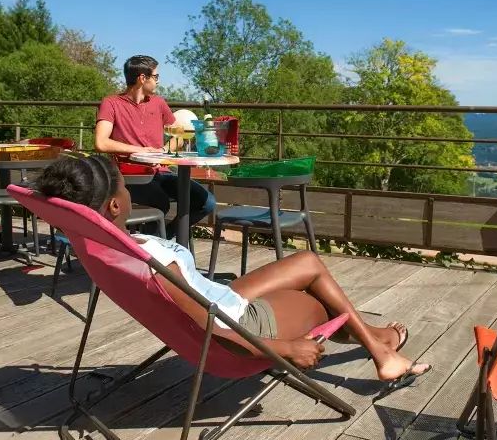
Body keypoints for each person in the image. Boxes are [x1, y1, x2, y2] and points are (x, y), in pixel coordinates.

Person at [34, 155, 432, 384]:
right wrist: (285, 349)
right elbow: (210, 330)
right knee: (320, 298)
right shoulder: (157, 263)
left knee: (308, 262)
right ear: (116, 207)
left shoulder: (100, 247)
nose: (127, 190)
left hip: (220, 299)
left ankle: (378, 343)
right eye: (123, 186)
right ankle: (381, 350)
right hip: (242, 327)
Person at [94, 55, 216, 240]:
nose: (158, 82)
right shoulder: (111, 103)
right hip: (131, 176)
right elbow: (101, 143)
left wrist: (165, 150)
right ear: (142, 78)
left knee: (207, 202)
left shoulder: (158, 103)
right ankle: (148, 249)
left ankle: (164, 239)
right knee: (160, 203)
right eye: (156, 77)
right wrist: (140, 150)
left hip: (161, 172)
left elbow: (179, 136)